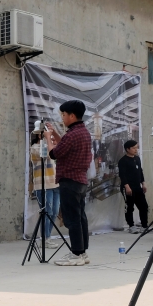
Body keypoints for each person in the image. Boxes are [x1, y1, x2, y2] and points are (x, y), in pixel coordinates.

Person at [45, 100, 93, 266]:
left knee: (72, 219)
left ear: (72, 116)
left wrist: (48, 139)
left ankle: (76, 253)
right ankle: (83, 252)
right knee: (80, 218)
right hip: (80, 180)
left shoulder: (73, 134)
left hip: (70, 180)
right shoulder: (82, 132)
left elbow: (54, 153)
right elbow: (65, 144)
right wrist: (55, 135)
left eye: (64, 115)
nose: (63, 118)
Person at [29, 132, 60, 241]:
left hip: (55, 184)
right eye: (48, 135)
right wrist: (52, 143)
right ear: (40, 135)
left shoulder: (51, 146)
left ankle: (48, 236)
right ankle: (45, 239)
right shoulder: (34, 148)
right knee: (47, 212)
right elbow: (45, 154)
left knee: (55, 213)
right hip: (43, 185)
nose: (50, 137)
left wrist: (55, 144)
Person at [117, 140, 147, 234]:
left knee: (143, 206)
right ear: (127, 149)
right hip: (128, 187)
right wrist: (127, 186)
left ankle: (144, 226)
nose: (136, 149)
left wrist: (143, 183)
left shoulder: (137, 159)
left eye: (136, 147)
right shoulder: (123, 161)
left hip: (137, 186)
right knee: (129, 207)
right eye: (133, 148)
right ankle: (131, 226)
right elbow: (122, 175)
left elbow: (140, 172)